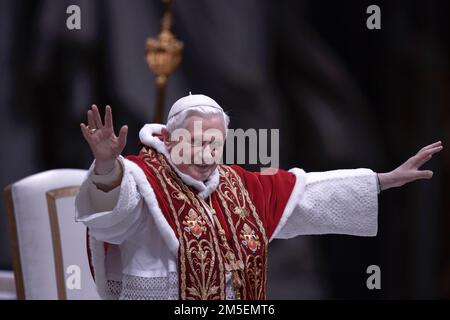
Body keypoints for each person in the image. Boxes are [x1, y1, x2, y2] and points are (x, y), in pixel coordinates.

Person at [75, 94, 443, 300]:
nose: (206, 154)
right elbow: (111, 224)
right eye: (197, 142)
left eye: (214, 144)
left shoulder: (239, 186)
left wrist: (382, 181)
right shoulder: (142, 179)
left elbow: (306, 195)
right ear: (170, 140)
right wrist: (107, 167)